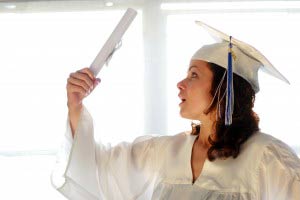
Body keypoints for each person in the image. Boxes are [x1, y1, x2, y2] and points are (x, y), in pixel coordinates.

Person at [51, 21, 300, 200]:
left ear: (225, 88)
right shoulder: (166, 152)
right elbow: (95, 170)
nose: (180, 84)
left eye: (194, 75)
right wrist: (75, 105)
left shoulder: (268, 159)